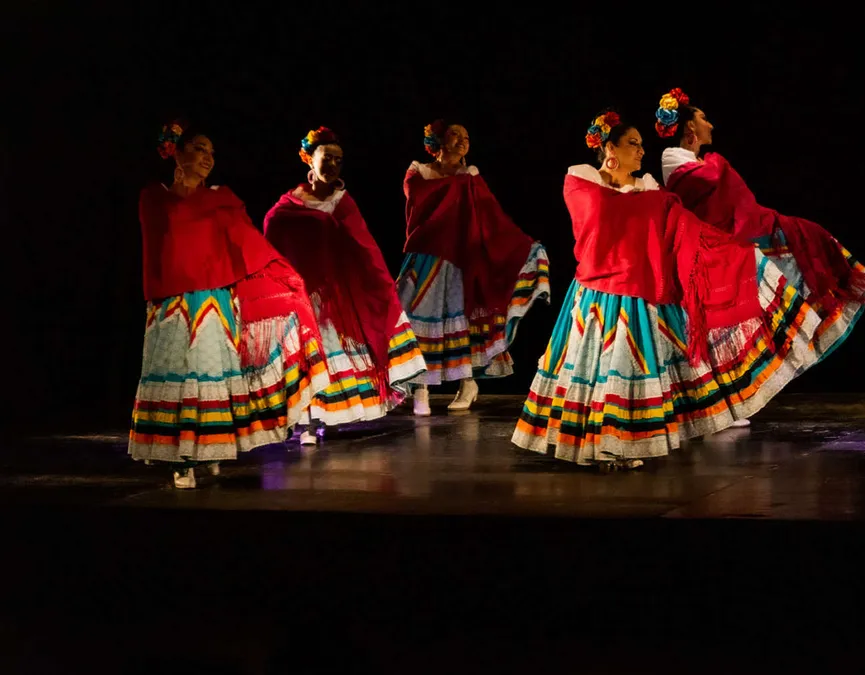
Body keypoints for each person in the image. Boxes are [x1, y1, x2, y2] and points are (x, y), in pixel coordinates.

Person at [512, 110, 825, 470]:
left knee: (629, 371)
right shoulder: (582, 182)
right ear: (608, 146)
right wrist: (636, 198)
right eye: (632, 144)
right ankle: (598, 444)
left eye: (642, 144)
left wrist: (735, 252)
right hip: (598, 295)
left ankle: (621, 445)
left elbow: (686, 228)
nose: (641, 151)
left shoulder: (648, 188)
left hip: (642, 294)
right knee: (598, 372)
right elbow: (600, 221)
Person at [131, 121, 329, 487]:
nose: (208, 158)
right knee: (180, 374)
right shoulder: (154, 198)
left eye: (211, 153)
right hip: (173, 304)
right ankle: (183, 458)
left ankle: (209, 449)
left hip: (215, 301)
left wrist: (285, 279)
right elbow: (164, 245)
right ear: (176, 151)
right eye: (200, 149)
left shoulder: (222, 198)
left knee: (210, 375)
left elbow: (251, 246)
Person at [657, 88, 865, 414]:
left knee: (806, 242)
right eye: (704, 119)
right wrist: (717, 163)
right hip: (707, 253)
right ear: (689, 127)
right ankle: (724, 404)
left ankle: (815, 309)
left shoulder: (703, 160)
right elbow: (708, 185)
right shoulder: (673, 157)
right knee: (726, 331)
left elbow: (733, 196)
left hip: (733, 244)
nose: (711, 125)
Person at [263, 127, 426, 444]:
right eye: (328, 157)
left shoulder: (343, 202)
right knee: (309, 357)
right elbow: (273, 234)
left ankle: (328, 415)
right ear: (309, 159)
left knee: (338, 355)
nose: (334, 164)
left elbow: (366, 249)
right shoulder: (287, 207)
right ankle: (309, 421)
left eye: (339, 159)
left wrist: (381, 289)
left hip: (342, 295)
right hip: (305, 296)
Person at [397, 120, 551, 414]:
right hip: (425, 257)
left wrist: (526, 247)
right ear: (439, 141)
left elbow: (493, 218)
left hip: (460, 260)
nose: (463, 141)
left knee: (461, 320)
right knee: (417, 319)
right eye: (455, 134)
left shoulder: (471, 178)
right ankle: (420, 387)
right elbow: (421, 206)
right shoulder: (419, 174)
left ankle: (467, 382)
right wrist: (457, 183)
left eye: (467, 136)